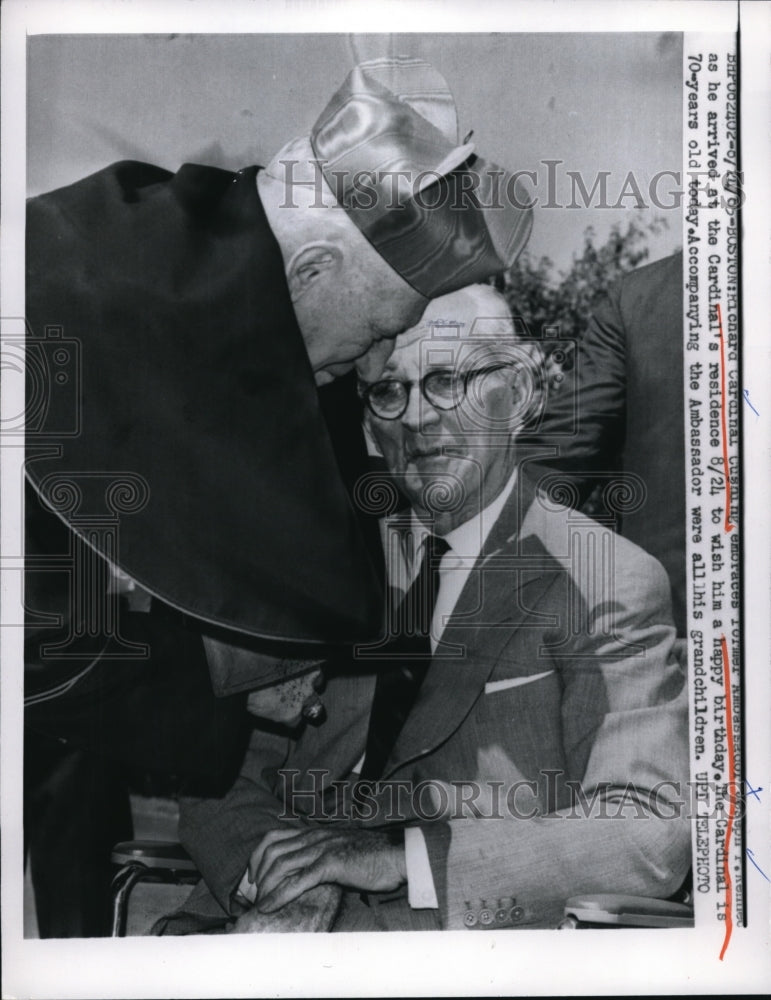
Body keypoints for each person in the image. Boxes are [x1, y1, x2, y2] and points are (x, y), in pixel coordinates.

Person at [23, 57, 533, 935]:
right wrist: (223, 677)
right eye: (379, 333)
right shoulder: (53, 296)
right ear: (310, 271)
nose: (377, 373)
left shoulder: (231, 297)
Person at [161, 284, 691, 934]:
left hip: (444, 935)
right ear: (366, 424)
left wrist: (400, 860)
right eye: (390, 391)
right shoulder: (319, 566)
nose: (416, 419)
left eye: (447, 380)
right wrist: (275, 883)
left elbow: (645, 831)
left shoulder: (603, 578)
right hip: (250, 915)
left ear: (520, 395)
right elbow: (218, 772)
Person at [534, 252, 686, 634]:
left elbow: (554, 463)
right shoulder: (638, 298)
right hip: (684, 640)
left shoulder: (640, 296)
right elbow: (553, 466)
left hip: (680, 639)